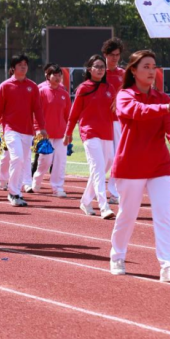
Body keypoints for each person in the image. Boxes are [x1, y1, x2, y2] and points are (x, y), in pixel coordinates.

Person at [110, 50, 170, 283]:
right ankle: (117, 256)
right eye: (146, 66)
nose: (152, 71)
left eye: (154, 66)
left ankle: (168, 264)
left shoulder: (163, 98)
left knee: (163, 215)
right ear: (133, 70)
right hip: (131, 163)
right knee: (128, 214)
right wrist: (169, 107)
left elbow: (169, 125)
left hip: (159, 164)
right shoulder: (124, 95)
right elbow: (138, 112)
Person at [0, 55, 47, 208]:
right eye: (20, 64)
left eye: (25, 65)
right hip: (10, 129)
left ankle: (17, 191)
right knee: (16, 158)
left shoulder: (33, 86)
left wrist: (42, 127)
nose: (23, 67)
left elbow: (37, 108)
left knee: (22, 162)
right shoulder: (5, 86)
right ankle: (13, 192)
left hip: (27, 131)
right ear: (13, 68)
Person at [65, 55, 117, 220]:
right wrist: (68, 133)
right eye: (97, 66)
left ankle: (86, 200)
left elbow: (117, 111)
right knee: (98, 167)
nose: (100, 69)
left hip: (107, 133)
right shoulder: (83, 88)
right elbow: (74, 114)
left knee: (104, 166)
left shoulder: (110, 88)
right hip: (89, 132)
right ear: (89, 69)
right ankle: (104, 206)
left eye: (102, 66)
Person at [28, 64, 71, 198]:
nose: (58, 78)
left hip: (61, 134)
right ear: (48, 76)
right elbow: (35, 112)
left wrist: (68, 132)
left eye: (60, 75)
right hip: (45, 133)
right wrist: (38, 129)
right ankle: (36, 180)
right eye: (55, 75)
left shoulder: (64, 93)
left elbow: (68, 115)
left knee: (60, 160)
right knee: (45, 160)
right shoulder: (41, 91)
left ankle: (57, 187)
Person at [103, 38, 125, 205]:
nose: (115, 58)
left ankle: (113, 192)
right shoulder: (98, 72)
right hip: (100, 121)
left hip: (118, 121)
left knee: (117, 157)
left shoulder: (123, 74)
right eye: (112, 55)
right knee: (106, 158)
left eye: (117, 55)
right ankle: (96, 184)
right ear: (105, 54)